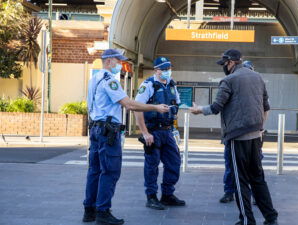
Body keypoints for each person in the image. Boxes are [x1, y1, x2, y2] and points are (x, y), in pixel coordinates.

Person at [190, 49, 278, 225]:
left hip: (237, 138)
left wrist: (199, 110)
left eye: (224, 64)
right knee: (258, 178)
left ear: (230, 62)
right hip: (256, 137)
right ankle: (271, 218)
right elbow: (266, 107)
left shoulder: (228, 80)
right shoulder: (257, 77)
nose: (223, 67)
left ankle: (247, 221)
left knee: (240, 181)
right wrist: (260, 129)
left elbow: (216, 107)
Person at [83, 49, 169, 225]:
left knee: (95, 171)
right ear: (109, 61)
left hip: (96, 129)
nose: (121, 65)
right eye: (118, 61)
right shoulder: (109, 81)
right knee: (110, 171)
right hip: (108, 132)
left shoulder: (94, 79)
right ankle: (103, 211)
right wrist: (155, 108)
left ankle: (89, 210)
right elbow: (128, 104)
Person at [134, 56, 185, 210]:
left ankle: (167, 195)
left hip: (167, 131)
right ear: (156, 70)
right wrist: (145, 133)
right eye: (163, 69)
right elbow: (137, 108)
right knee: (152, 166)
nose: (167, 71)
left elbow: (176, 105)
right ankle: (151, 197)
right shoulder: (149, 85)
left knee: (174, 163)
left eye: (168, 68)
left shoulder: (171, 84)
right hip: (153, 131)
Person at [220, 60, 256, 204]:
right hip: (233, 135)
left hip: (252, 135)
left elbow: (265, 109)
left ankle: (253, 194)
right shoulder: (231, 85)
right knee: (230, 165)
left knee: (253, 167)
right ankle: (229, 192)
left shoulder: (255, 88)